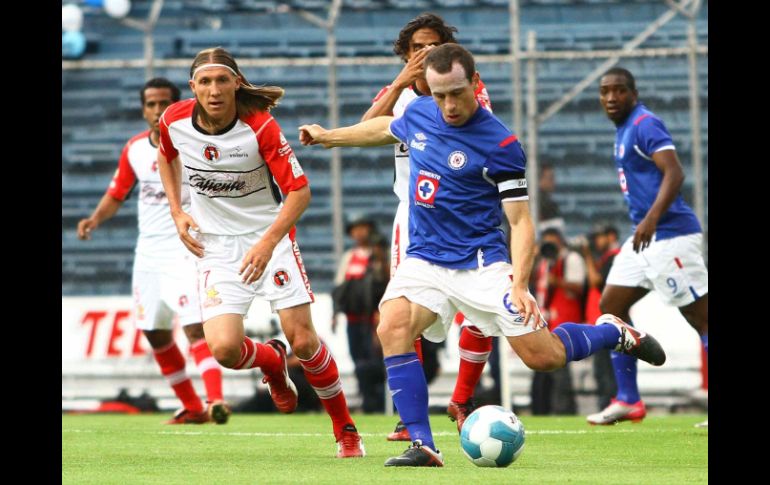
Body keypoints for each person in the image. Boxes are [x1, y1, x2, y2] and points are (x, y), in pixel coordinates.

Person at [299, 44, 667, 467]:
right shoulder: (420, 113)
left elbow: (521, 221)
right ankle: (423, 444)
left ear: (475, 83)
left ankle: (611, 332)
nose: (448, 105)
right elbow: (386, 127)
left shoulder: (501, 144)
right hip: (424, 259)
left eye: (456, 93)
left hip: (480, 264)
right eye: (439, 95)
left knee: (542, 357)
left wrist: (521, 283)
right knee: (393, 326)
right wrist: (329, 136)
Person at [156, 47, 364, 457]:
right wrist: (177, 210)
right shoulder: (173, 120)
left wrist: (268, 243)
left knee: (304, 341)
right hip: (215, 247)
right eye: (204, 81)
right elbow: (166, 157)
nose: (213, 90)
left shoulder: (260, 126)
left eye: (221, 80)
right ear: (193, 86)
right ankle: (271, 363)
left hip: (270, 237)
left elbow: (300, 193)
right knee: (225, 351)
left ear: (236, 82)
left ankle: (346, 430)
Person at [360, 11, 494, 441]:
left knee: (481, 312)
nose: (425, 53)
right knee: (402, 312)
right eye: (417, 47)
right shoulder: (396, 94)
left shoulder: (465, 89)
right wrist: (400, 82)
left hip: (469, 214)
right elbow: (364, 130)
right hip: (414, 216)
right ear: (406, 53)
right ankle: (408, 416)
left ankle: (462, 398)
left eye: (433, 45)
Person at [77, 77, 230, 425]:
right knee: (154, 332)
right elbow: (117, 193)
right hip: (147, 254)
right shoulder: (134, 149)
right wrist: (94, 219)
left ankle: (216, 400)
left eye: (164, 104)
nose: (158, 110)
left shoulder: (196, 142)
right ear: (144, 109)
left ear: (178, 105)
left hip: (188, 249)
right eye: (151, 104)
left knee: (195, 328)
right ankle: (193, 408)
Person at [587, 67, 708, 428]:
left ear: (633, 93)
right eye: (605, 91)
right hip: (645, 239)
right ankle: (628, 399)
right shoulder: (624, 129)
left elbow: (674, 172)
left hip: (671, 235)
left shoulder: (644, 124)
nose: (611, 98)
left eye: (619, 90)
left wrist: (653, 218)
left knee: (701, 319)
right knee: (611, 307)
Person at [332, 215, 389, 413]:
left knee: (375, 363)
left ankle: (380, 404)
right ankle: (367, 403)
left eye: (363, 228)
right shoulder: (349, 256)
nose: (359, 233)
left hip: (374, 321)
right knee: (358, 361)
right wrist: (335, 313)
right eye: (355, 229)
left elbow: (386, 283)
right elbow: (340, 287)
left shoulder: (381, 255)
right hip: (353, 320)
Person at [529, 228, 586, 415]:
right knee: (541, 365)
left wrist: (557, 281)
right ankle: (541, 408)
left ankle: (564, 409)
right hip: (545, 320)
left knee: (560, 367)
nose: (550, 247)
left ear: (561, 241)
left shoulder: (571, 259)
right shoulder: (543, 263)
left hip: (564, 319)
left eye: (552, 243)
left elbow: (579, 287)